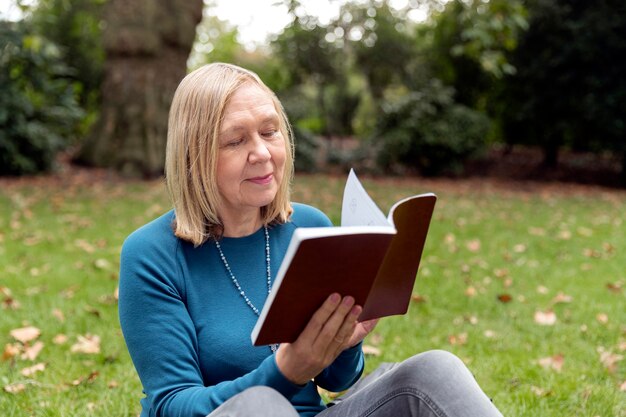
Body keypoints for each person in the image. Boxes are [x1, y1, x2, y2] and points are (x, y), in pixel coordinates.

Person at [118, 62, 503, 417]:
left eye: (270, 132)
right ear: (194, 155)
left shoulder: (308, 226)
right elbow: (172, 404)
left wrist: (346, 341)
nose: (262, 153)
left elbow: (337, 381)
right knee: (260, 406)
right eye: (235, 141)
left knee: (434, 369)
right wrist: (285, 372)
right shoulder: (152, 254)